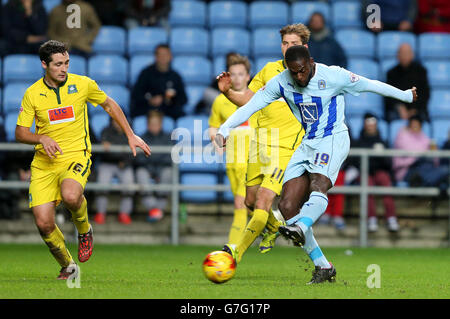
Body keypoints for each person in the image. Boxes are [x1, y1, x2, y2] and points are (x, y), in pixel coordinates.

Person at [216, 45, 417, 284]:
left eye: (302, 71)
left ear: (311, 62)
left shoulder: (334, 76)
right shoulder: (282, 82)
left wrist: (405, 95)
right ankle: (323, 266)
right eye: (293, 72)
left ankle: (302, 226)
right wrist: (225, 128)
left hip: (333, 139)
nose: (298, 77)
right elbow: (252, 105)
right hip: (308, 142)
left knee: (318, 184)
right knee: (289, 206)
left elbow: (370, 84)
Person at [15, 40, 151, 280]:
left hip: (77, 154)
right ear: (44, 64)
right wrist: (41, 138)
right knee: (44, 224)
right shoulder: (32, 94)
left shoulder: (83, 84)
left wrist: (130, 134)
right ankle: (68, 265)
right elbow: (20, 133)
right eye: (58, 64)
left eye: (66, 63)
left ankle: (84, 230)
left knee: (70, 195)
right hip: (44, 164)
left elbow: (109, 104)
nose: (64, 68)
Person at [216, 24, 309, 263]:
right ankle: (275, 227)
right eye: (285, 43)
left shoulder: (309, 74)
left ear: (304, 47)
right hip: (259, 146)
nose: (288, 48)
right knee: (249, 201)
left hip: (284, 149)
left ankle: (235, 253)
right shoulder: (269, 70)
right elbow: (248, 100)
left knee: (262, 202)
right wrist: (227, 92)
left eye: (294, 44)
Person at [209, 54, 257, 245]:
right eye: (233, 74)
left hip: (252, 162)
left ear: (248, 76)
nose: (237, 78)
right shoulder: (220, 101)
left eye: (241, 74)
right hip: (232, 163)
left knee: (239, 204)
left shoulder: (257, 99)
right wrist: (217, 140)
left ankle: (231, 252)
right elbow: (213, 127)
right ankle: (275, 223)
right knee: (251, 206)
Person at [356, 113, 399, 233]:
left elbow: (388, 164)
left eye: (373, 125)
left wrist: (381, 155)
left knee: (385, 180)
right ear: (365, 125)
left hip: (379, 170)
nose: (371, 127)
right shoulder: (359, 141)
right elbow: (356, 161)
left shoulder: (382, 141)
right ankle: (371, 218)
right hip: (365, 172)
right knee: (367, 185)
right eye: (369, 125)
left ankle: (391, 218)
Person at [93, 118, 136, 225]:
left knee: (129, 184)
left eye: (119, 120)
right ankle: (101, 213)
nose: (117, 123)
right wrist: (116, 153)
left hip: (124, 164)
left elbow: (134, 153)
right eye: (115, 121)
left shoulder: (130, 132)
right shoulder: (106, 131)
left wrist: (124, 161)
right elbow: (104, 152)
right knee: (102, 183)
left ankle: (124, 213)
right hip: (107, 163)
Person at [134, 110, 173, 222]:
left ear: (161, 124)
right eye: (152, 124)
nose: (154, 126)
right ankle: (155, 209)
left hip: (162, 168)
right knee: (140, 172)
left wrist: (157, 170)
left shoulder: (168, 138)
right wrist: (151, 170)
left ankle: (155, 210)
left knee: (168, 172)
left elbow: (169, 158)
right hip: (147, 169)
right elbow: (140, 158)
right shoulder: (141, 138)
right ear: (147, 124)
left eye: (156, 124)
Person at [130, 44, 187, 121]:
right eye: (160, 55)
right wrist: (150, 100)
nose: (163, 58)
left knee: (180, 114)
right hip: (147, 109)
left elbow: (183, 99)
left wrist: (168, 100)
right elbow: (136, 94)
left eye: (165, 55)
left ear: (170, 57)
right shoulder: (146, 73)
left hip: (168, 110)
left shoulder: (175, 76)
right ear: (155, 57)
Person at [393, 116, 448, 192]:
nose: (415, 127)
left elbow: (435, 161)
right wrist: (424, 153)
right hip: (407, 169)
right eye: (413, 125)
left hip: (425, 167)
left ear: (421, 126)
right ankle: (438, 184)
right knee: (441, 173)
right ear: (409, 126)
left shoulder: (425, 138)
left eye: (417, 125)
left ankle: (420, 183)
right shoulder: (403, 135)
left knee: (444, 169)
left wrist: (435, 152)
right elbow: (409, 150)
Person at [385, 43, 430, 122]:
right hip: (398, 110)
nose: (404, 56)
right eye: (402, 53)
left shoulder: (421, 71)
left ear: (412, 55)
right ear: (397, 55)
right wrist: (399, 107)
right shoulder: (391, 73)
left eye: (407, 53)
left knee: (422, 119)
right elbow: (388, 94)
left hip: (417, 108)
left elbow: (425, 93)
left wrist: (414, 109)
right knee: (390, 117)